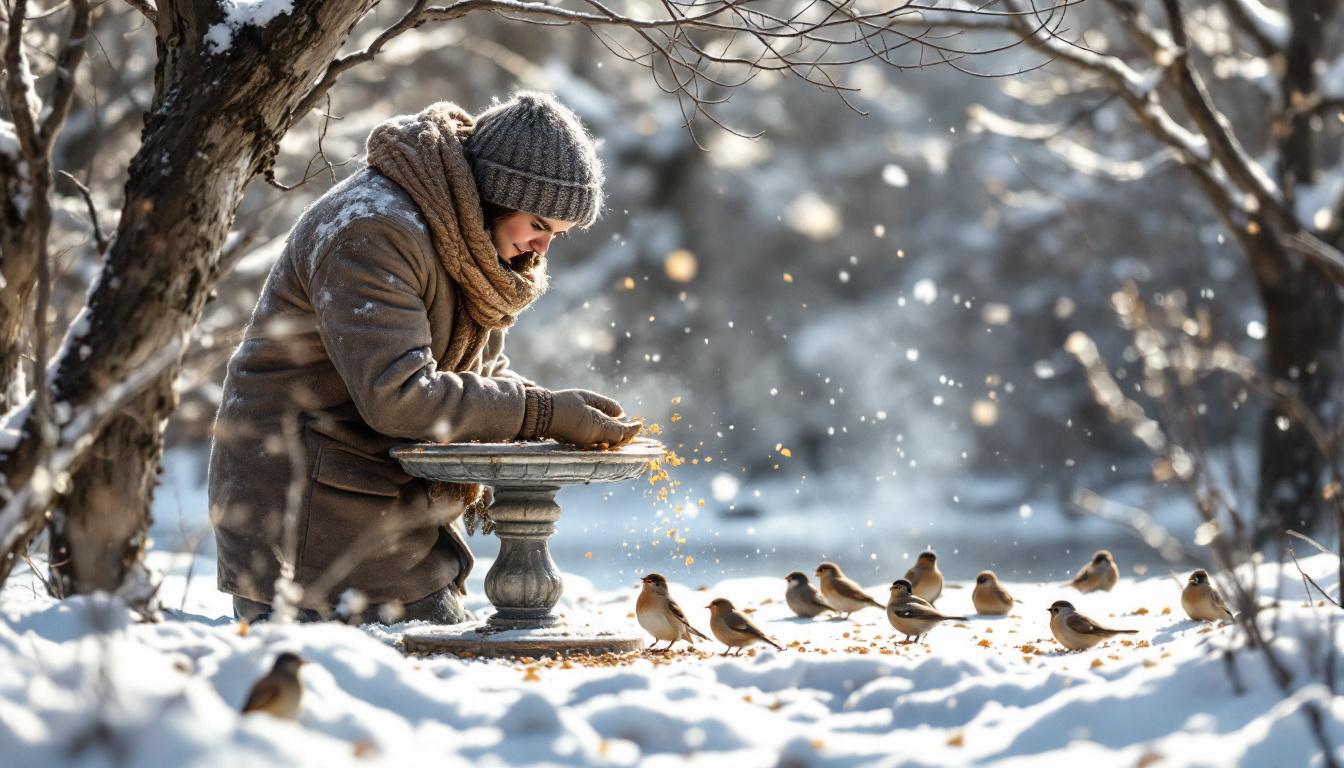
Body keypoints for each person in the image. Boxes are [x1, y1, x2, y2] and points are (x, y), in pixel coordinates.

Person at [208, 92, 641, 625]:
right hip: (311, 528)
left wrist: (558, 417)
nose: (542, 249)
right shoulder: (374, 230)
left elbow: (477, 374)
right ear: (496, 194)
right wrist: (542, 413)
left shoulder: (464, 244)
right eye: (538, 225)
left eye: (557, 236)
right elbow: (400, 395)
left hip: (387, 522)